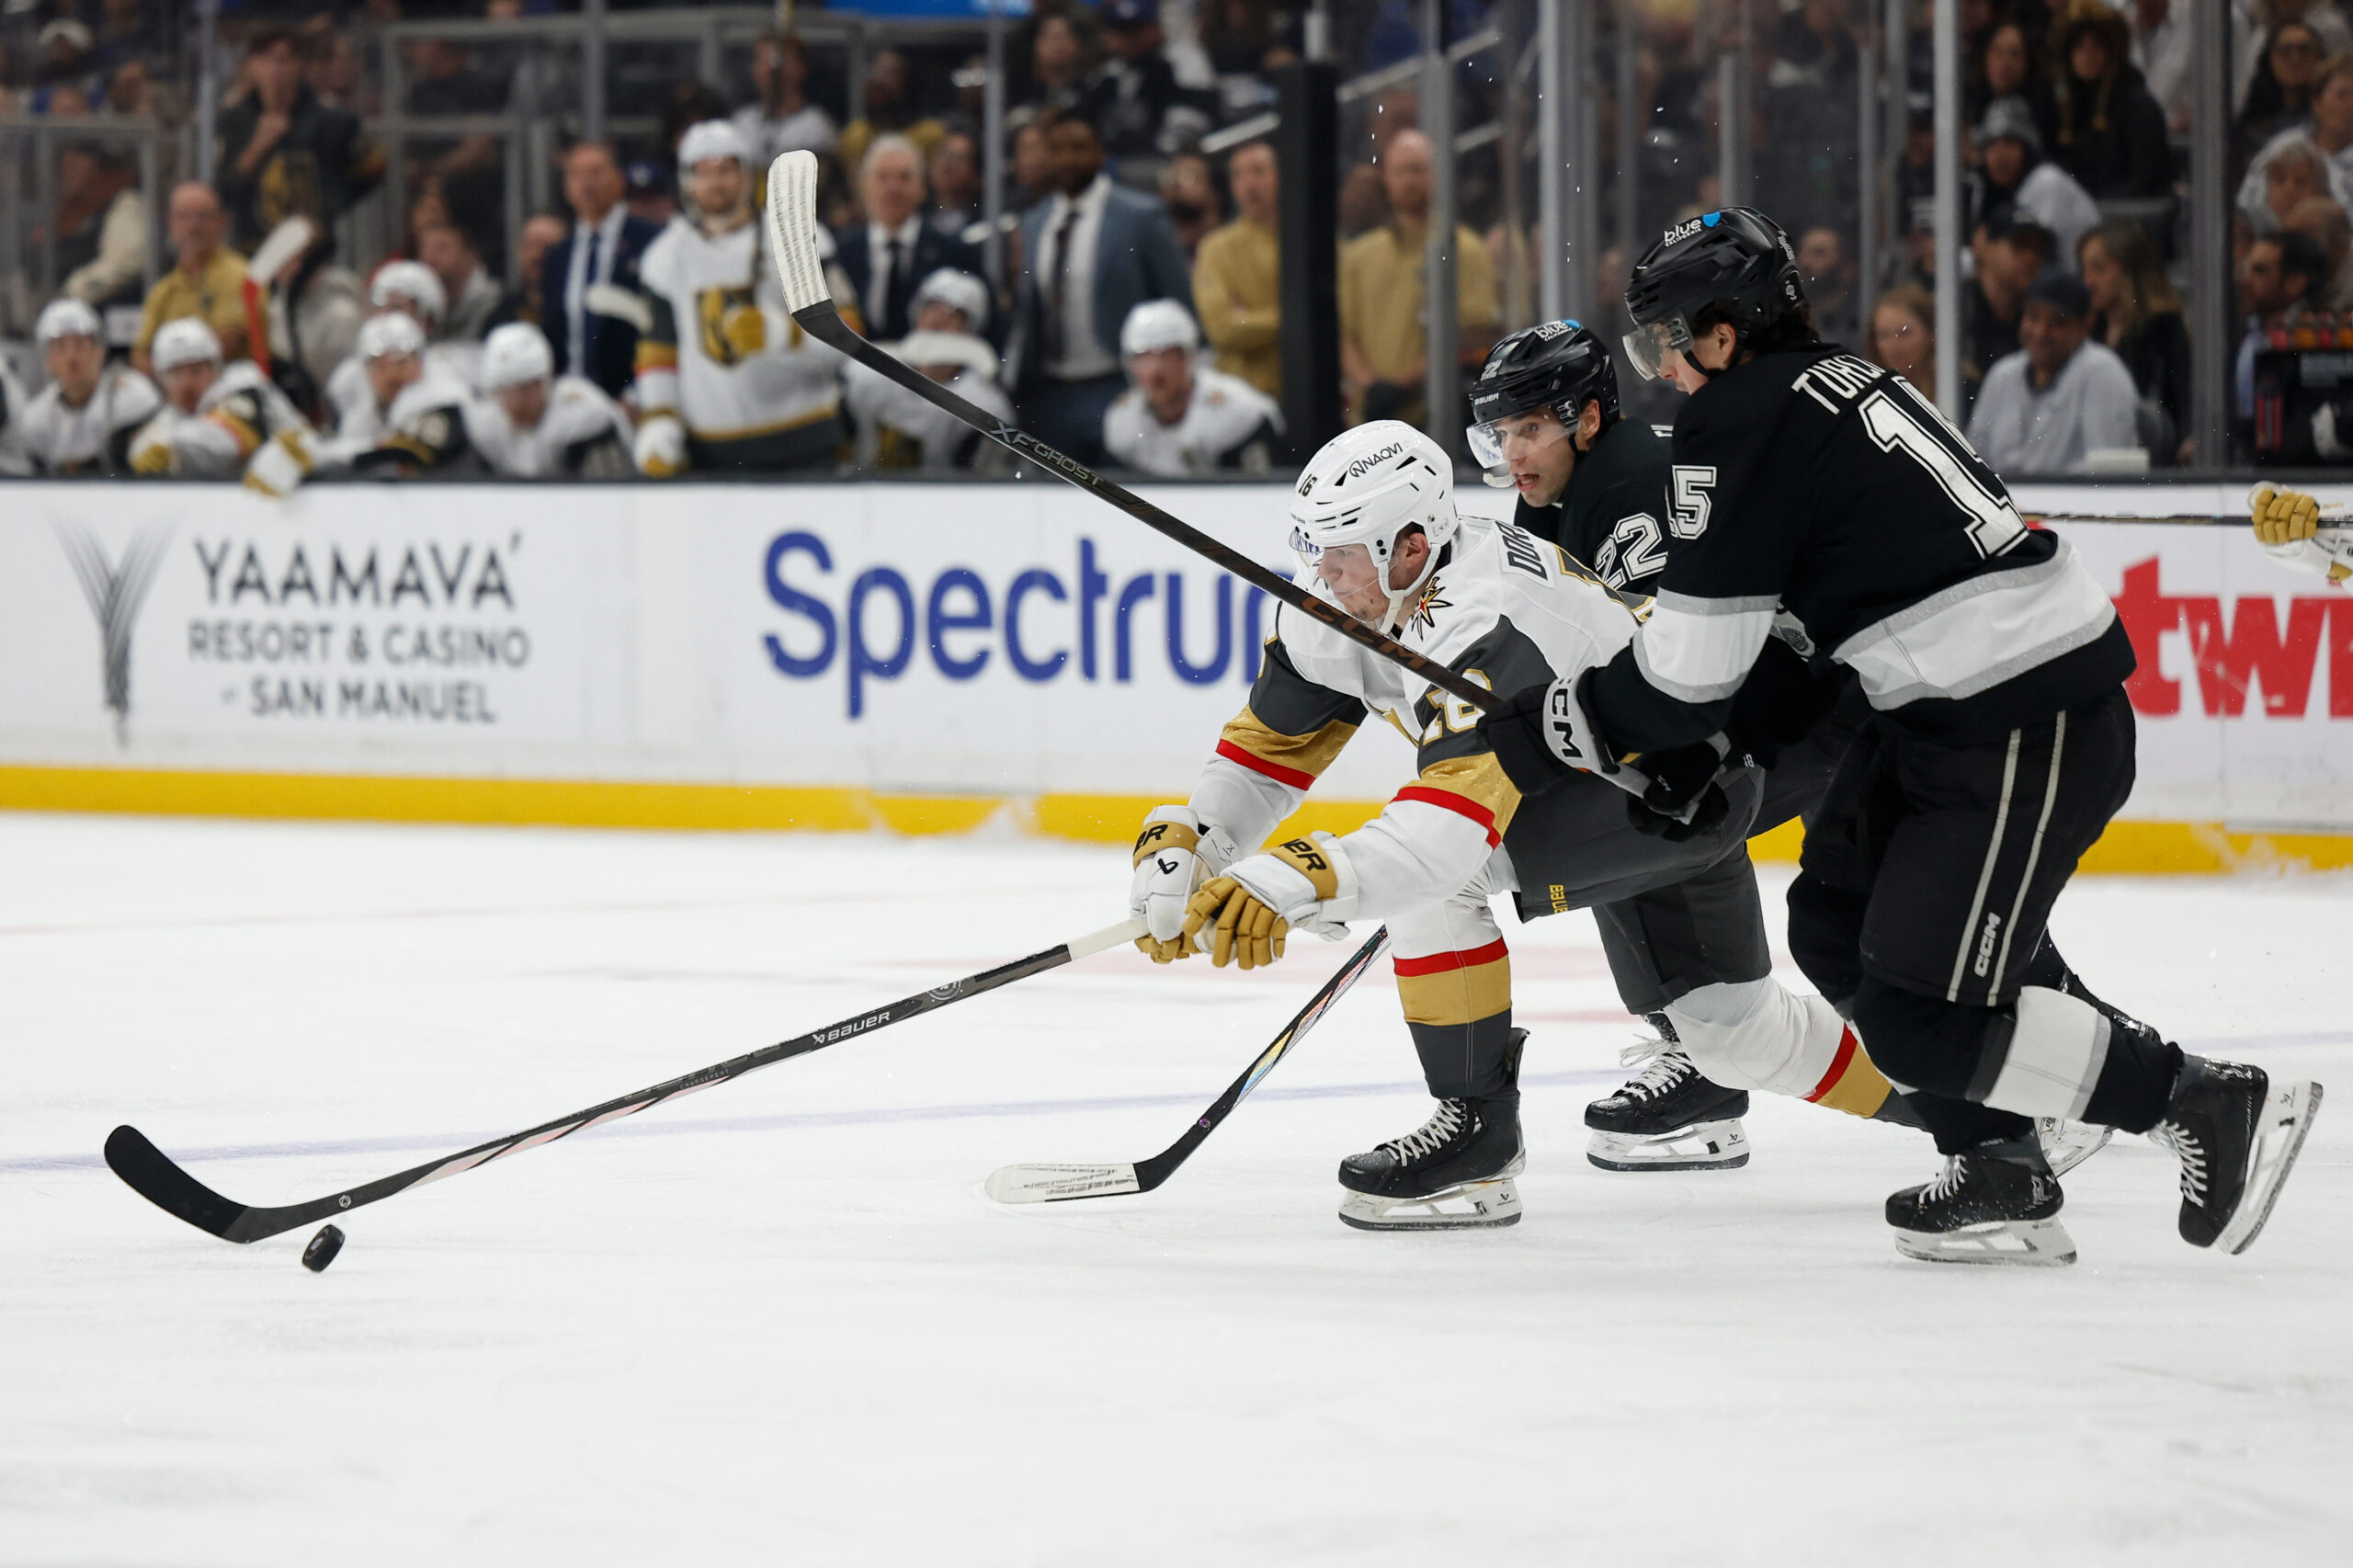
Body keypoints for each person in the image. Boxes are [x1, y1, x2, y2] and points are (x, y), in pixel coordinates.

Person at [1483, 206, 2322, 1266]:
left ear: (1724, 332)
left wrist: (1554, 727)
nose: (1664, 370)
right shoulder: (1839, 381)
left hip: (2018, 713)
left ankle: (2195, 1098)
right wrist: (1713, 746)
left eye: (1667, 341)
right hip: (1944, 708)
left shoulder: (1736, 418)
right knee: (1832, 925)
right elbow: (1788, 638)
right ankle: (1998, 1162)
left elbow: (1691, 669)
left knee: (1922, 1016)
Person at [633, 119, 845, 475]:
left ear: (748, 175)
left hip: (804, 440)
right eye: (704, 172)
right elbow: (659, 353)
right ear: (686, 182)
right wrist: (660, 419)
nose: (716, 182)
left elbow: (848, 337)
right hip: (711, 451)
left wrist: (782, 334)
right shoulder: (663, 258)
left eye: (726, 169)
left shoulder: (801, 236)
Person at [1013, 109, 1195, 464]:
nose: (1068, 159)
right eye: (1058, 149)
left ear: (1100, 153)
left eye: (1079, 147)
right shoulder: (1034, 222)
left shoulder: (1140, 216)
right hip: (1051, 391)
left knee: (1122, 496)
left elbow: (1177, 301)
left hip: (1120, 384)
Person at [1337, 128, 1498, 427]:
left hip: (1438, 417)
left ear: (1438, 175)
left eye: (1417, 170)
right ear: (1385, 178)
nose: (1408, 181)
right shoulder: (1358, 255)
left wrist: (1403, 386)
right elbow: (1345, 334)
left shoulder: (1465, 250)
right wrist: (1371, 386)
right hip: (1368, 420)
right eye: (1399, 171)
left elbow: (1472, 335)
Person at [213, 25, 382, 254]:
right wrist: (257, 147)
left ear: (299, 64)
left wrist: (331, 205)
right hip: (253, 248)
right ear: (251, 66)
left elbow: (374, 167)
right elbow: (222, 192)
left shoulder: (330, 119)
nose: (274, 69)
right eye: (264, 60)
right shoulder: (233, 120)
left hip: (314, 248)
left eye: (283, 60)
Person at [1966, 271, 2144, 475]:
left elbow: (2109, 471)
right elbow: (1974, 458)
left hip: (2073, 504)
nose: (2040, 332)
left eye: (2056, 322)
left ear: (2085, 325)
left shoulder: (2103, 371)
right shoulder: (2002, 373)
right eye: (2033, 317)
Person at [840, 269, 1014, 473]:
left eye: (953, 313)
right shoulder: (866, 373)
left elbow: (977, 481)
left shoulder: (984, 404)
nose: (937, 321)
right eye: (931, 308)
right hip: (860, 492)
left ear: (970, 326)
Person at [1100, 300, 1280, 476]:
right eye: (1143, 357)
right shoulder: (1122, 420)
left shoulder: (1237, 410)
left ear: (1189, 358)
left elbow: (1256, 492)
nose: (1155, 370)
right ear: (1129, 365)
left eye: (1167, 356)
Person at [835, 135, 985, 347]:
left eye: (904, 177)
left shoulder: (954, 253)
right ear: (864, 187)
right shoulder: (842, 254)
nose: (893, 188)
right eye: (882, 177)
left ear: (923, 188)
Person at [540, 142, 663, 401]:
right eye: (576, 174)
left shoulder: (652, 243)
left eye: (595, 172)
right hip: (570, 401)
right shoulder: (558, 255)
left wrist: (639, 394)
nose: (586, 183)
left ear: (619, 179)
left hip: (633, 399)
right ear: (566, 188)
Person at [463, 321, 632, 479]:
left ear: (539, 383)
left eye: (512, 390)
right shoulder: (488, 422)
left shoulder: (581, 414)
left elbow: (607, 493)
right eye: (500, 392)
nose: (504, 401)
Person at [315, 311, 474, 476]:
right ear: (367, 373)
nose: (392, 375)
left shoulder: (445, 405)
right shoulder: (362, 418)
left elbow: (404, 456)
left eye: (401, 363)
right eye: (380, 366)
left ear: (420, 362)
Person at [2047, 0, 2174, 199]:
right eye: (2078, 46)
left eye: (2096, 44)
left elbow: (2145, 178)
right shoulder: (2065, 105)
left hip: (2127, 212)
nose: (2087, 54)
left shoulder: (2136, 104)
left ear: (2110, 51)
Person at [2079, 218, 2191, 439]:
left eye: (2099, 269)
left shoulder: (2164, 326)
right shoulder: (2089, 330)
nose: (2088, 281)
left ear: (2130, 271)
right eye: (2085, 270)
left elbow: (2183, 396)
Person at [17, 297, 153, 475]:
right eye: (60, 347)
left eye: (80, 345)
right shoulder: (37, 418)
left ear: (99, 351)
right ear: (48, 360)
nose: (71, 358)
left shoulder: (131, 393)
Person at [1192, 137, 1281, 400]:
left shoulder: (1310, 242)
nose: (1249, 184)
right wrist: (1294, 320)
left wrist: (1252, 318)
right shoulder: (1215, 249)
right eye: (1238, 175)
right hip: (1243, 396)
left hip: (1308, 392)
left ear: (1280, 176)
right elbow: (1222, 328)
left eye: (1258, 171)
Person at [1972, 97, 2102, 270]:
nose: (1999, 155)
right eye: (1991, 145)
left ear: (2027, 148)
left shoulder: (2047, 182)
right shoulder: (1997, 192)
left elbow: (2037, 259)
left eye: (2009, 142)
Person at [134, 182, 250, 370]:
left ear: (221, 222)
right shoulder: (162, 290)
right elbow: (140, 353)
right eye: (184, 217)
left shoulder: (240, 275)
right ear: (170, 223)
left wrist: (174, 373)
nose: (194, 226)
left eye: (203, 217)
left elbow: (228, 341)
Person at [1082, 0, 1211, 158]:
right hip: (1111, 163)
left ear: (1155, 29)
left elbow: (1193, 118)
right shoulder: (1102, 78)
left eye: (1137, 30)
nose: (1130, 39)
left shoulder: (1177, 65)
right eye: (1122, 32)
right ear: (1108, 36)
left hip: (1163, 159)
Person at [2238, 51, 2353, 221]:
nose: (2351, 105)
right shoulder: (2283, 147)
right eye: (2341, 95)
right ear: (2317, 102)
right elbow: (2247, 210)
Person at [2237, 231, 2330, 422]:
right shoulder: (2239, 331)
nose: (2245, 280)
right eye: (2247, 269)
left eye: (2260, 271)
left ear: (2294, 284)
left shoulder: (2316, 343)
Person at [1966, 214, 2055, 389]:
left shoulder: (2040, 319)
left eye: (2038, 250)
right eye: (2020, 245)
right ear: (1985, 246)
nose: (2031, 258)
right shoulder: (1953, 309)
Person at [55, 142, 146, 311]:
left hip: (108, 317)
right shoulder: (86, 212)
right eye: (66, 165)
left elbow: (126, 264)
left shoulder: (127, 204)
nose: (67, 174)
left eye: (76, 165)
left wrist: (72, 291)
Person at [731, 30, 837, 167]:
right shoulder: (744, 122)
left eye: (780, 62)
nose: (770, 70)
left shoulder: (816, 126)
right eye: (762, 61)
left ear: (801, 68)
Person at [838, 50, 947, 181]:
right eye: (876, 73)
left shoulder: (930, 135)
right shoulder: (856, 135)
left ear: (908, 84)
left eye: (889, 74)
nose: (880, 80)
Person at [418, 222, 514, 343]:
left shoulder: (499, 307)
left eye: (442, 248)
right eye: (424, 248)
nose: (430, 257)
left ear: (471, 255)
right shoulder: (421, 308)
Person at [1867, 283, 1939, 392]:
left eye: (1904, 333)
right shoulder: (1866, 391)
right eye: (1884, 335)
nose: (1894, 347)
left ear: (1930, 334)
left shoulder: (1958, 390)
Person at [1796, 226, 1859, 346]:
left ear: (1847, 267)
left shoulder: (1860, 316)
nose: (1804, 261)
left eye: (1818, 253)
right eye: (1802, 251)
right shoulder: (1789, 315)